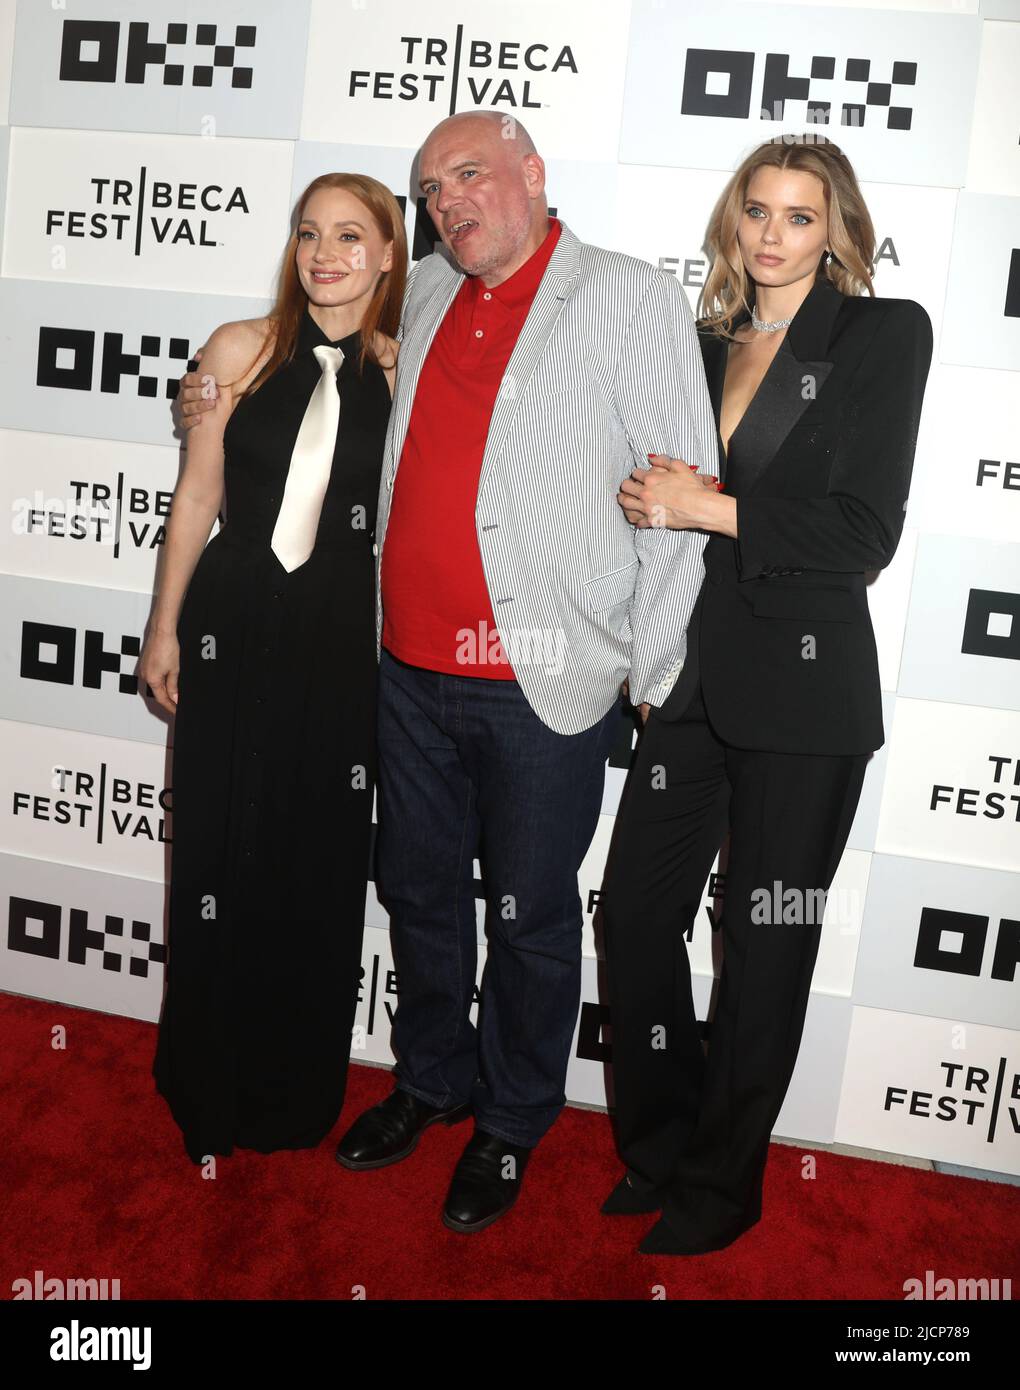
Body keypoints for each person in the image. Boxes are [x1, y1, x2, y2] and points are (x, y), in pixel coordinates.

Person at [600, 135, 933, 1254]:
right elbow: (640, 489)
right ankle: (658, 1142)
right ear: (732, 222)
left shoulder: (884, 335)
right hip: (689, 678)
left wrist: (709, 508)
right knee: (636, 917)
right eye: (757, 210)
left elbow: (863, 532)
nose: (773, 233)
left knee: (765, 940)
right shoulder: (699, 347)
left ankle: (720, 1182)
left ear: (838, 228)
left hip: (805, 699)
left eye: (800, 214)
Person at [144, 173, 406, 1164]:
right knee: (217, 847)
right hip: (234, 606)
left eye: (350, 236)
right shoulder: (237, 350)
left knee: (316, 858)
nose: (326, 254)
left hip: (344, 629)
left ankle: (294, 1087)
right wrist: (165, 625)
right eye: (309, 234)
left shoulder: (409, 366)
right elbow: (197, 494)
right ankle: (204, 1075)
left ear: (389, 254)